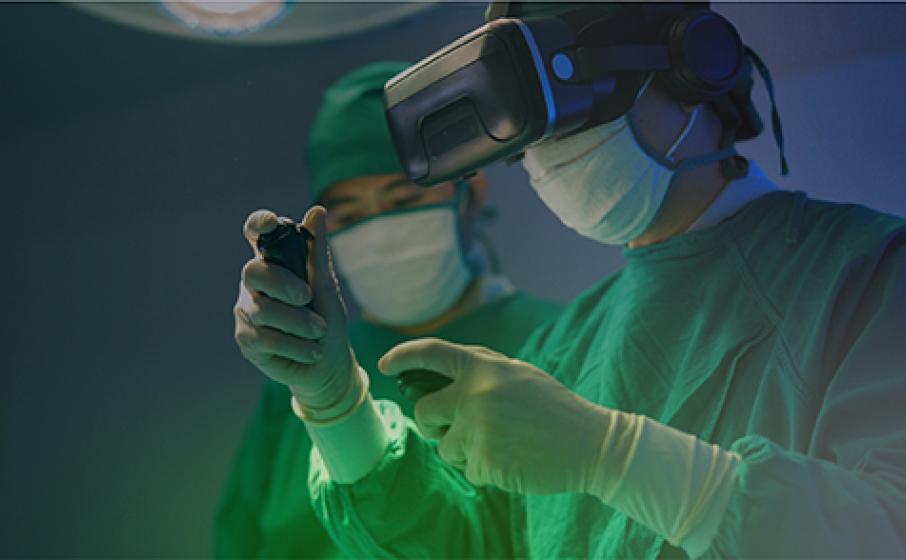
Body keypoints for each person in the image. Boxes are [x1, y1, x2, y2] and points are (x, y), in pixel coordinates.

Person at [233, 4, 906, 558]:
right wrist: (335, 403)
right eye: (528, 131)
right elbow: (476, 547)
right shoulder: (566, 347)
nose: (550, 151)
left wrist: (613, 457)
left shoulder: (870, 275)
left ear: (696, 64)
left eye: (573, 100)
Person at [216, 61, 562, 558]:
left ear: (471, 195)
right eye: (351, 215)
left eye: (402, 199)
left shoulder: (560, 343)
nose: (380, 231)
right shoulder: (297, 377)